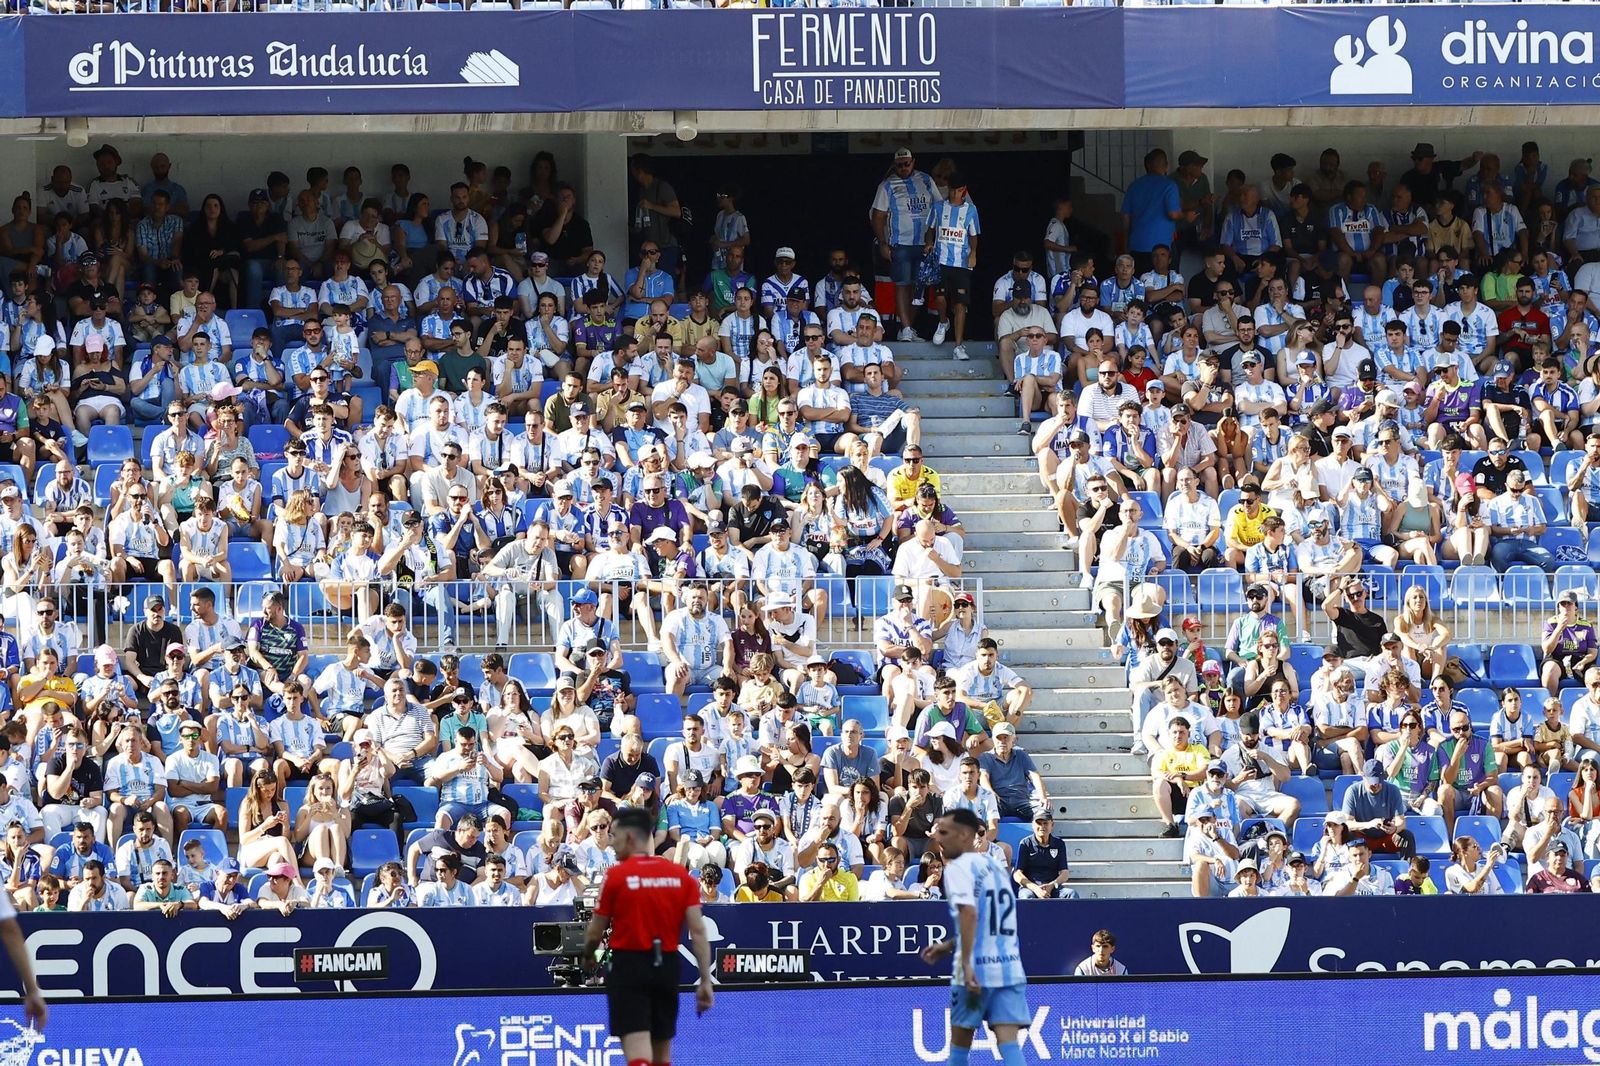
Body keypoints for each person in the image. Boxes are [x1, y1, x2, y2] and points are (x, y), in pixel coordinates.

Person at [583, 806, 713, 1066]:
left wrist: (590, 956)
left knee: (638, 1053)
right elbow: (698, 931)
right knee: (662, 1055)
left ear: (631, 838)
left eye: (615, 837)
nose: (612, 844)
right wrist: (705, 981)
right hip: (666, 965)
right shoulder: (680, 876)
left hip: (627, 966)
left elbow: (596, 929)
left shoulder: (616, 876)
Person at [920, 808, 1030, 1066]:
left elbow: (970, 916)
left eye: (945, 833)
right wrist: (947, 946)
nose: (939, 839)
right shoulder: (994, 867)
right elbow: (987, 921)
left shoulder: (959, 869)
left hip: (977, 966)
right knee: (1009, 1044)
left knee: (959, 1045)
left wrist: (967, 962)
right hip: (1009, 965)